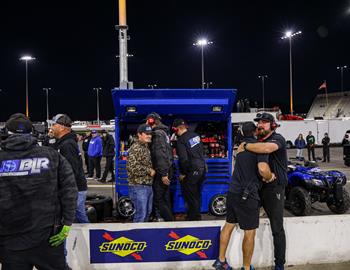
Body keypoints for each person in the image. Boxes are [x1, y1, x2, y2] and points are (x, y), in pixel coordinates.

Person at [0, 113, 77, 270]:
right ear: (32, 132)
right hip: (47, 236)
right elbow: (69, 190)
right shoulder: (52, 156)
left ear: (6, 133)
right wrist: (67, 223)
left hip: (9, 240)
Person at [213, 122, 275, 270]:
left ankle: (220, 261)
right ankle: (246, 267)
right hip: (248, 195)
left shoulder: (240, 148)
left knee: (228, 225)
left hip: (233, 192)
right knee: (250, 232)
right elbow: (262, 169)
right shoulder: (259, 148)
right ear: (255, 132)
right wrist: (270, 176)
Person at [237, 113, 288, 270]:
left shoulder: (278, 139)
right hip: (258, 188)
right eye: (259, 122)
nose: (260, 125)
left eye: (264, 122)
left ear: (273, 125)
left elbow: (266, 148)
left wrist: (244, 145)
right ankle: (246, 265)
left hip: (274, 189)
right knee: (249, 226)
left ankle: (279, 264)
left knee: (277, 228)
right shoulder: (258, 141)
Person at [51, 114, 90, 224]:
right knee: (77, 215)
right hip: (75, 187)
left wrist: (64, 188)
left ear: (62, 127)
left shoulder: (67, 144)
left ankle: (91, 238)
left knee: (77, 216)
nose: (52, 128)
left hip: (75, 188)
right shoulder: (65, 142)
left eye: (54, 125)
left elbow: (71, 170)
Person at [172, 119, 206, 221]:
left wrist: (183, 173)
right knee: (197, 194)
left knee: (191, 195)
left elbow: (183, 159)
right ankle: (197, 216)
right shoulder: (196, 135)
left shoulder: (181, 140)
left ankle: (193, 218)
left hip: (192, 170)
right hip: (202, 168)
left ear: (177, 129)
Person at [147, 112, 174, 221]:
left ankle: (167, 221)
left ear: (151, 121)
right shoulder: (164, 132)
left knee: (159, 198)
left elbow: (160, 155)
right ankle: (168, 220)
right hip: (167, 168)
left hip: (162, 170)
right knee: (165, 197)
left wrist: (163, 174)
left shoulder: (157, 134)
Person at [126, 124, 156, 222]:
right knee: (141, 215)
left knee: (147, 213)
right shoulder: (135, 148)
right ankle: (136, 236)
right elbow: (132, 168)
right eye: (146, 134)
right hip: (138, 186)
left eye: (150, 134)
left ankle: (143, 236)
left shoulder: (145, 147)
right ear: (139, 135)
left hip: (147, 185)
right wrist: (149, 170)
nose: (149, 136)